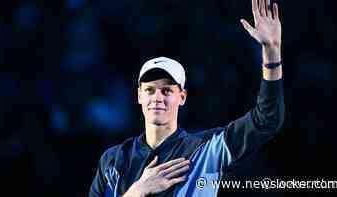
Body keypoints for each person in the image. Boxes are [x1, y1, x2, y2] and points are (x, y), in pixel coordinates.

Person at [89, 0, 284, 196]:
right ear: (139, 95)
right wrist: (137, 191)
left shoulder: (207, 149)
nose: (157, 97)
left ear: (182, 97)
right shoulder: (114, 161)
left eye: (166, 91)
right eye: (149, 90)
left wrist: (271, 50)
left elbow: (267, 119)